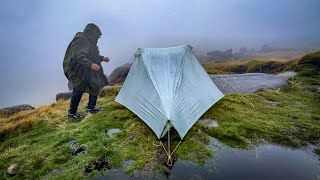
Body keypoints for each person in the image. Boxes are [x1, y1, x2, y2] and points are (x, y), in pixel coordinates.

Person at [63, 23, 109, 119]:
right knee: (79, 87)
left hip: (85, 67)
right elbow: (76, 55)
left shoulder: (90, 42)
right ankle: (72, 113)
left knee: (95, 83)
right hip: (75, 68)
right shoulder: (80, 39)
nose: (97, 38)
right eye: (97, 36)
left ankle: (91, 108)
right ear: (91, 33)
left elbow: (92, 55)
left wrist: (102, 58)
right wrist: (91, 64)